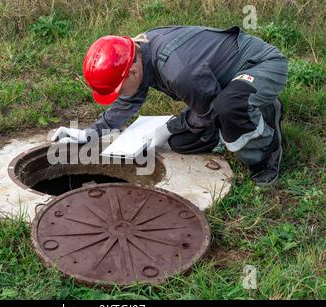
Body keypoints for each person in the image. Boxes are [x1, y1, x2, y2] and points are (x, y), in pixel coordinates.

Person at [51, 25, 288, 186]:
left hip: (258, 65)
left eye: (119, 88)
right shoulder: (137, 53)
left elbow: (209, 110)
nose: (119, 95)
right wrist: (89, 134)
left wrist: (170, 125)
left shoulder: (178, 70)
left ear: (132, 72)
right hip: (217, 83)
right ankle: (237, 116)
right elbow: (128, 100)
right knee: (180, 142)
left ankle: (266, 153)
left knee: (229, 108)